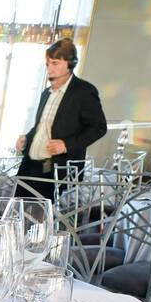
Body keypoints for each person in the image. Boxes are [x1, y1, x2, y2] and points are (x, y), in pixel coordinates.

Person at [13, 38, 108, 199]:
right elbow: (42, 127)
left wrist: (65, 145)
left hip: (56, 172)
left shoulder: (84, 91)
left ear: (70, 63)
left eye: (55, 63)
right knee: (15, 214)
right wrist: (26, 139)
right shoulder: (46, 93)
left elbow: (99, 127)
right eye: (48, 64)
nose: (49, 69)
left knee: (43, 220)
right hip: (29, 168)